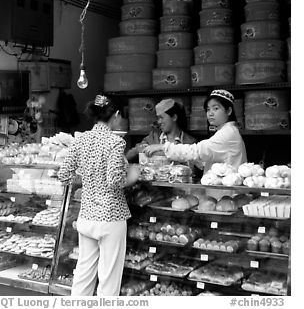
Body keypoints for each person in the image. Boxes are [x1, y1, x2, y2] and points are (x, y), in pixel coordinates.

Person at [57, 94, 139, 296]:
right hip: (111, 217)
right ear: (117, 115)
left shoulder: (81, 139)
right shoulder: (115, 142)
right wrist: (134, 176)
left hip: (87, 217)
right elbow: (115, 180)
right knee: (108, 281)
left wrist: (87, 178)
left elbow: (64, 175)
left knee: (83, 276)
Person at [145, 90, 247, 174]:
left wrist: (163, 147)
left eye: (216, 108)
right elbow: (207, 157)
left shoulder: (228, 133)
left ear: (228, 111)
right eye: (208, 109)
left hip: (228, 193)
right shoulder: (225, 131)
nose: (210, 113)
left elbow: (197, 151)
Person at [126, 98, 197, 162]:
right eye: (158, 118)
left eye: (161, 117)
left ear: (174, 117)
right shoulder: (153, 137)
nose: (159, 121)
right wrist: (137, 150)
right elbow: (127, 157)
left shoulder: (189, 142)